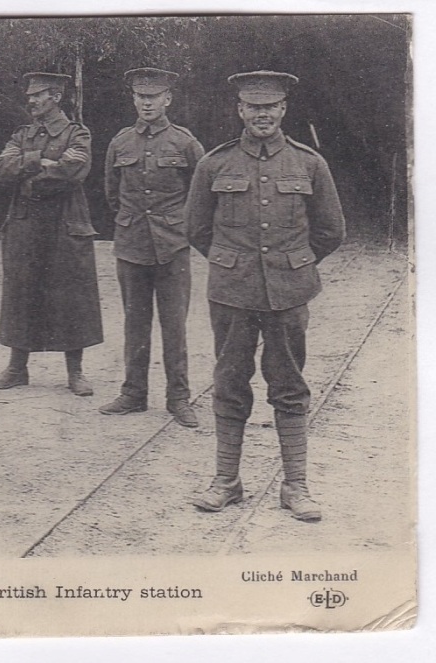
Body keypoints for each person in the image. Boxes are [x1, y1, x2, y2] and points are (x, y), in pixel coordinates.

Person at [186, 71, 345, 521]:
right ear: (239, 110)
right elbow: (197, 228)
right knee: (230, 382)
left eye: (269, 107)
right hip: (232, 293)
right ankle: (226, 482)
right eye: (253, 107)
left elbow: (331, 230)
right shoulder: (214, 164)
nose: (261, 115)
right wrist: (232, 263)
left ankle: (296, 486)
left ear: (283, 110)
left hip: (289, 294)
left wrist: (294, 263)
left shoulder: (309, 164)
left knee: (290, 386)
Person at [0, 72, 103, 396]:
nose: (31, 101)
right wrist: (41, 160)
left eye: (37, 95)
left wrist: (30, 173)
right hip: (25, 223)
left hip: (65, 222)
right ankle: (16, 368)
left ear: (56, 96)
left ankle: (75, 372)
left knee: (71, 294)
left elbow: (72, 171)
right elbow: (2, 170)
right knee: (21, 291)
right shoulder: (22, 134)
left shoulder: (77, 133)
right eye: (29, 96)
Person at [99, 68, 204, 427]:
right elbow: (111, 194)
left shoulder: (185, 143)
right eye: (141, 96)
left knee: (174, 326)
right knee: (135, 324)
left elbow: (200, 195)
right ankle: (133, 394)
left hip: (173, 246)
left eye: (154, 96)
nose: (147, 102)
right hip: (131, 246)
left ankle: (179, 398)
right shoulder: (120, 142)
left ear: (167, 99)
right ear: (133, 99)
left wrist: (179, 227)